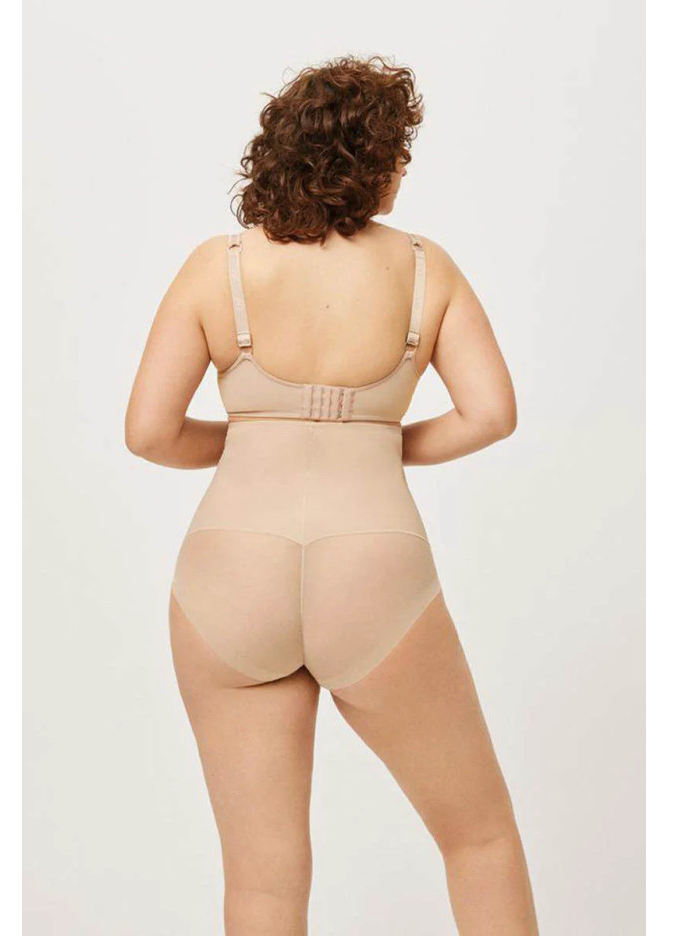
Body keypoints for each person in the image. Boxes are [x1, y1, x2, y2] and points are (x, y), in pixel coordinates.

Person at [126, 55, 539, 936]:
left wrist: (254, 436)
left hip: (228, 575)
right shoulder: (426, 269)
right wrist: (381, 442)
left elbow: (150, 433)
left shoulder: (216, 267)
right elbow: (492, 414)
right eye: (399, 152)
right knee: (479, 840)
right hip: (372, 570)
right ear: (371, 159)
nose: (404, 170)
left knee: (263, 884)